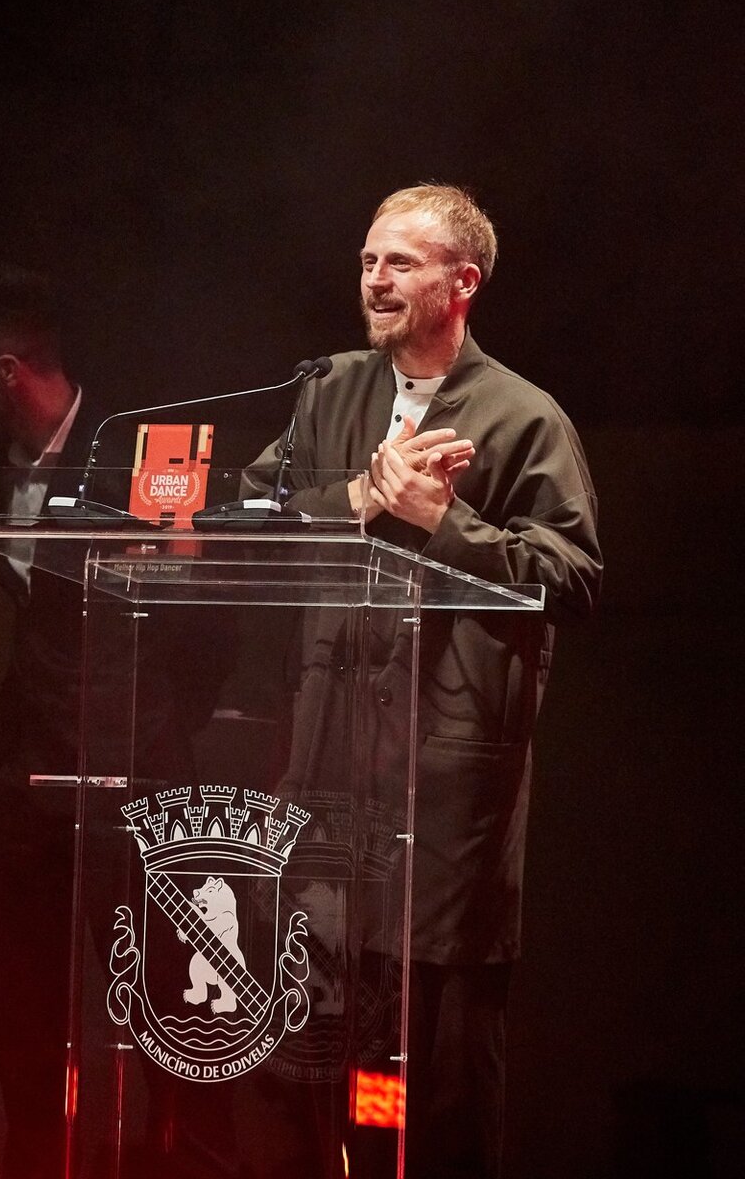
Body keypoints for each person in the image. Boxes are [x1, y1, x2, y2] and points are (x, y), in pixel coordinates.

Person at [243, 185, 602, 1178]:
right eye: (368, 260)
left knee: (432, 1068)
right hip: (330, 767)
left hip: (445, 789)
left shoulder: (523, 415)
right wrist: (360, 497)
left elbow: (573, 577)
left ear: (462, 282)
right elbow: (255, 513)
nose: (375, 279)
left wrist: (444, 525)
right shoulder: (331, 391)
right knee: (327, 1049)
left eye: (400, 262)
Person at [0, 264, 93, 1179]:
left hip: (128, 768)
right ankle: (34, 1157)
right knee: (24, 1005)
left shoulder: (133, 448)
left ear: (6, 370)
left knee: (165, 1004)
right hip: (24, 773)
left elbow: (204, 623)